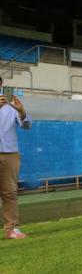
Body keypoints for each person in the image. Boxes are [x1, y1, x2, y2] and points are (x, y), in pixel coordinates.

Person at [0, 90, 32, 239]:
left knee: (9, 193)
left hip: (9, 154)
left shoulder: (10, 105)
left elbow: (27, 126)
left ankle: (11, 229)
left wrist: (22, 112)